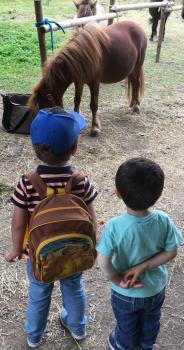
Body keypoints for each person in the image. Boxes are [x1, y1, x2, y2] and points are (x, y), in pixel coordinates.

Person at [5, 107, 98, 348]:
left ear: (34, 147)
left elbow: (18, 223)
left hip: (37, 253)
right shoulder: (80, 181)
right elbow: (91, 217)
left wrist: (16, 249)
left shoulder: (27, 182)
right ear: (74, 148)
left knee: (39, 292)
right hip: (75, 251)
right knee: (74, 288)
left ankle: (34, 335)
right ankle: (77, 327)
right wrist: (93, 245)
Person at [96, 157, 182, 350]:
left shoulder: (115, 227)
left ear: (118, 193)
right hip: (155, 288)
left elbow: (102, 260)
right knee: (151, 320)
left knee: (126, 326)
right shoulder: (163, 220)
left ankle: (123, 346)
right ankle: (146, 345)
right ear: (158, 193)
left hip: (125, 292)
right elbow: (171, 252)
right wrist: (144, 266)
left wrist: (116, 279)